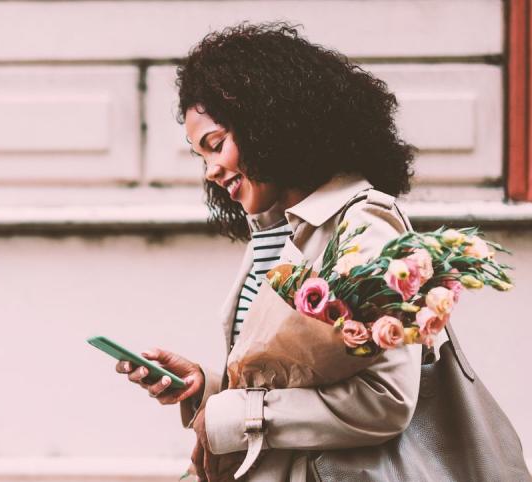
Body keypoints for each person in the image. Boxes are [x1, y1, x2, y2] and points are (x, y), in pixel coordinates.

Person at [115, 23, 425, 481]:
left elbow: (386, 401)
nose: (210, 171)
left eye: (216, 145)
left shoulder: (363, 225)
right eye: (201, 156)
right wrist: (207, 388)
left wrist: (234, 418)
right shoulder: (277, 231)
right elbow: (299, 374)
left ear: (269, 123)